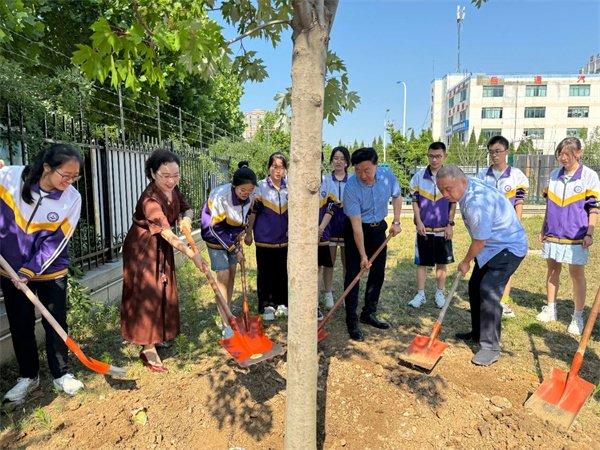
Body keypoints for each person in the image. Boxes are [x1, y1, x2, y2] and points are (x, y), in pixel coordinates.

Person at [1, 144, 85, 405]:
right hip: (9, 269)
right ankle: (28, 376)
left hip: (50, 269)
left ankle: (62, 373)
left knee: (55, 321)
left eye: (75, 177)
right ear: (47, 167)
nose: (69, 182)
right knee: (20, 322)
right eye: (66, 175)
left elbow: (56, 242)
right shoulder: (10, 178)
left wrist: (29, 270)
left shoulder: (72, 199)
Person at [436, 165, 528, 366]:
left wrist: (466, 261)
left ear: (461, 181)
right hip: (492, 247)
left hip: (508, 247)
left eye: (448, 189)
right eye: (441, 190)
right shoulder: (467, 187)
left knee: (488, 290)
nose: (445, 194)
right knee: (475, 286)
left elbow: (479, 241)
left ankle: (490, 347)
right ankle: (478, 332)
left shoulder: (476, 202)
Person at [120, 149, 196, 372]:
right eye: (165, 176)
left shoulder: (173, 189)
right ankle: (147, 347)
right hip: (143, 248)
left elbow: (187, 208)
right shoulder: (150, 199)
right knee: (148, 293)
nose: (171, 180)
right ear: (153, 173)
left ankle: (160, 335)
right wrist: (192, 254)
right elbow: (165, 232)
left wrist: (187, 221)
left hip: (162, 246)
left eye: (176, 175)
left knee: (164, 288)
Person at [536, 137, 599, 335]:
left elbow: (594, 209)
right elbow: (549, 205)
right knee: (552, 270)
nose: (562, 158)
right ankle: (551, 308)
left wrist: (590, 232)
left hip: (576, 236)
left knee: (576, 274)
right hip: (553, 233)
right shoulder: (554, 175)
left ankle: (578, 316)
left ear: (578, 153)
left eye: (566, 154)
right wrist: (543, 228)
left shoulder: (589, 176)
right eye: (560, 154)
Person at [342, 147, 402, 341]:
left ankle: (368, 313)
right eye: (358, 170)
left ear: (376, 166)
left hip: (379, 230)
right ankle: (351, 319)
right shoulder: (351, 187)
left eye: (367, 170)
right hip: (356, 232)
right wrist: (362, 255)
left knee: (377, 273)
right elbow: (356, 224)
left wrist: (397, 221)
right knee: (354, 275)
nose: (362, 175)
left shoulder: (386, 176)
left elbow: (397, 195)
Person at [476, 135, 529, 318]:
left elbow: (519, 204)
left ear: (506, 151)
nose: (494, 155)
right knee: (486, 265)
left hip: (508, 231)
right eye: (491, 152)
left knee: (504, 268)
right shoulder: (482, 175)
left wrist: (516, 226)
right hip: (488, 231)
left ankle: (502, 302)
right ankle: (485, 302)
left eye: (498, 151)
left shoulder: (516, 176)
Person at [201, 161, 257, 324]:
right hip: (215, 237)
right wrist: (235, 249)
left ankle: (228, 310)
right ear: (234, 186)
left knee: (232, 273)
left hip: (232, 237)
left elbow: (245, 215)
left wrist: (241, 234)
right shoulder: (221, 196)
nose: (246, 193)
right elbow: (215, 228)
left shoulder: (250, 195)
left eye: (250, 190)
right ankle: (225, 320)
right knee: (223, 275)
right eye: (242, 190)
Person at [408, 142, 456, 309]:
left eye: (438, 156)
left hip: (443, 229)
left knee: (441, 263)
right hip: (424, 228)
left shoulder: (451, 176)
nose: (434, 159)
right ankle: (420, 294)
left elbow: (453, 203)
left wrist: (450, 224)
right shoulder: (419, 177)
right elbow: (414, 202)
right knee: (422, 262)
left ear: (444, 156)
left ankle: (439, 293)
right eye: (431, 156)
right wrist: (418, 221)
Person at [245, 152, 289, 320]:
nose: (278, 171)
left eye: (281, 167)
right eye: (274, 166)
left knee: (281, 272)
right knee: (265, 273)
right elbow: (252, 213)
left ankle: (281, 303)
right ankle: (266, 305)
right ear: (269, 167)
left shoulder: (289, 187)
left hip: (283, 240)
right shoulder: (260, 187)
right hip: (264, 240)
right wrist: (248, 233)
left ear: (286, 169)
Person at [320, 146, 350, 309]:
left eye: (342, 159)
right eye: (335, 158)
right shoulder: (325, 180)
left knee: (347, 263)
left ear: (347, 162)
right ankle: (328, 293)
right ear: (331, 161)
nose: (338, 161)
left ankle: (346, 294)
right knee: (328, 263)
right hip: (329, 226)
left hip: (347, 227)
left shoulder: (352, 180)